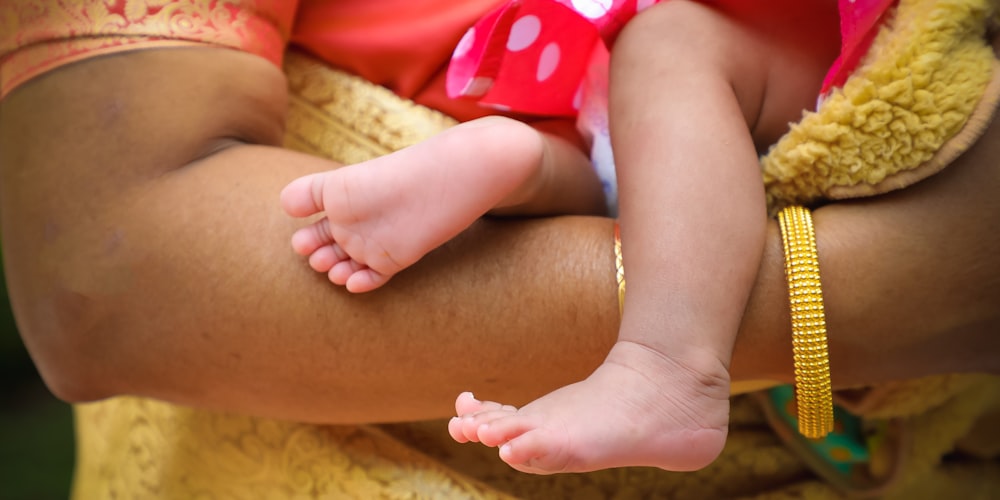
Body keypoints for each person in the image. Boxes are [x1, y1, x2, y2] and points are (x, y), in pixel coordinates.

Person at [1, 0, 998, 498]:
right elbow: (105, 285)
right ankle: (512, 162)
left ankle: (665, 360)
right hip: (608, 112)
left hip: (786, 84)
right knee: (619, 124)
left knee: (668, 61)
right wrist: (891, 286)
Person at [278, 0, 849, 474]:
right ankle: (524, 163)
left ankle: (669, 368)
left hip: (778, 38)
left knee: (667, 49)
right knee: (624, 140)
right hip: (610, 90)